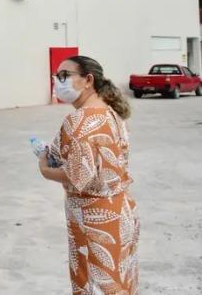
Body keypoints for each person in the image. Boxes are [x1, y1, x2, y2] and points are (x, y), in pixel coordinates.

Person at [39, 56, 139, 294]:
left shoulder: (78, 120)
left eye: (64, 76)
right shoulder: (112, 113)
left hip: (94, 219)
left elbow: (78, 176)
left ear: (88, 80)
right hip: (120, 210)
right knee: (118, 282)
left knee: (95, 285)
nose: (58, 82)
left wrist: (45, 170)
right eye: (56, 76)